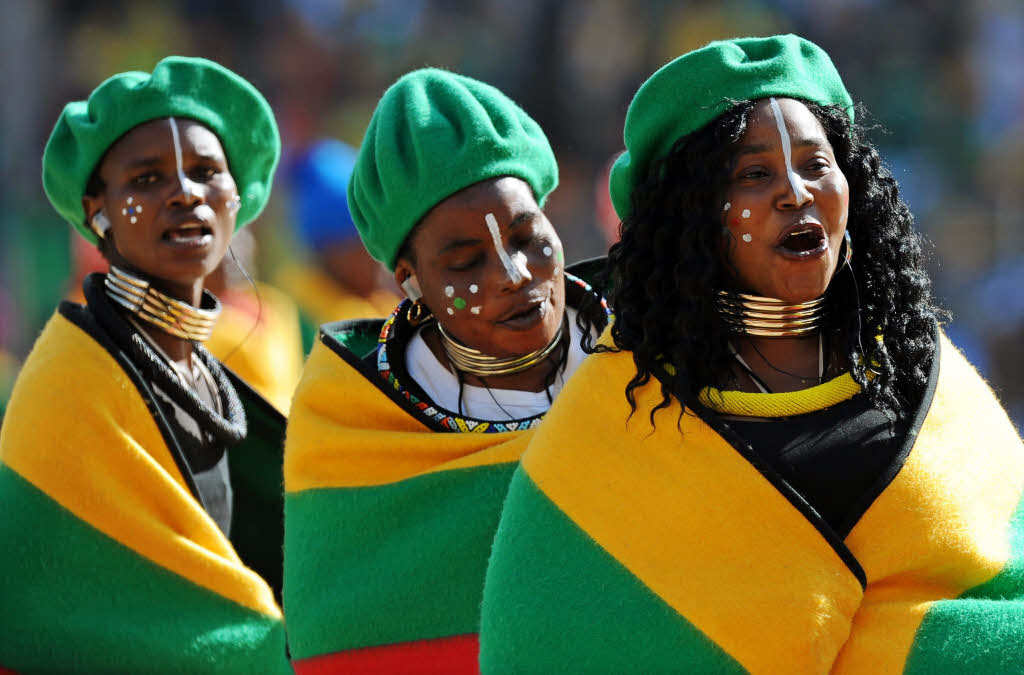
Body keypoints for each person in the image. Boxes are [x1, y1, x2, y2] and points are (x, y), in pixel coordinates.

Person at [479, 35, 1024, 673]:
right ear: (693, 215)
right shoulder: (603, 433)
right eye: (754, 175)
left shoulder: (924, 376)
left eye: (817, 165)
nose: (796, 193)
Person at [283, 68, 609, 673]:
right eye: (466, 261)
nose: (514, 275)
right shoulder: (354, 423)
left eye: (528, 236)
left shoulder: (652, 365)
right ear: (409, 281)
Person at [0, 56, 292, 673]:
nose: (186, 192)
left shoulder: (208, 371)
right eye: (147, 179)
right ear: (96, 210)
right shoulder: (72, 381)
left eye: (207, 172)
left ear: (236, 198)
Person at [276, 138, 399, 353]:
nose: (383, 258)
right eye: (366, 246)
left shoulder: (385, 304)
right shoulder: (299, 326)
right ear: (331, 252)